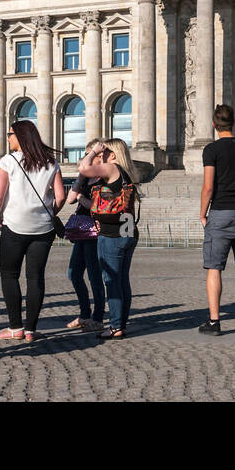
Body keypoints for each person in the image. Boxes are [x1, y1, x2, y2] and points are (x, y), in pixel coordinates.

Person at [0, 119, 65, 342]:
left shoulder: (8, 161)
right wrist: (50, 211)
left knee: (10, 275)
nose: (8, 138)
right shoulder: (51, 162)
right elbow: (60, 197)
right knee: (35, 277)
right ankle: (31, 330)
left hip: (14, 226)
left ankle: (15, 327)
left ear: (21, 137)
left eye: (10, 134)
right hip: (43, 228)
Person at [198, 103, 235, 336]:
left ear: (214, 125)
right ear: (234, 123)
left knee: (214, 268)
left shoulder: (211, 150)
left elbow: (208, 188)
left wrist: (202, 213)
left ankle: (214, 322)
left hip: (220, 214)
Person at [83, 138, 139, 340]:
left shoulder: (112, 168)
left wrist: (92, 152)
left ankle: (116, 326)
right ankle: (120, 323)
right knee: (122, 280)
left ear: (113, 155)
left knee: (112, 281)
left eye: (103, 152)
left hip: (112, 234)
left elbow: (84, 169)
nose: (100, 156)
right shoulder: (124, 173)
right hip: (127, 231)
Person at [61, 138, 105, 331]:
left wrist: (81, 197)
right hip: (81, 232)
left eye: (91, 155)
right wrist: (80, 180)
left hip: (94, 232)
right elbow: (70, 199)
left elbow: (96, 208)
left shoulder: (105, 178)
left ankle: (97, 317)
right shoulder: (86, 178)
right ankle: (84, 313)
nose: (87, 158)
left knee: (95, 276)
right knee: (74, 273)